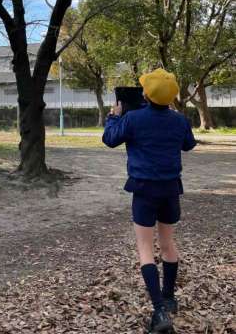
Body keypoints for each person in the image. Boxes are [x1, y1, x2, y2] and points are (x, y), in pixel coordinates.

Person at [102, 69, 196, 334]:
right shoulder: (179, 120)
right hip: (170, 188)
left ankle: (159, 311)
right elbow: (188, 144)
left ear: (146, 93)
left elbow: (110, 139)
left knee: (145, 248)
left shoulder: (132, 118)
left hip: (144, 190)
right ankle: (169, 298)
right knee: (168, 244)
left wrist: (113, 117)